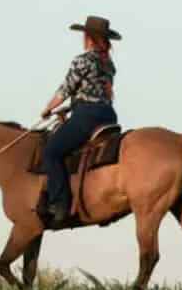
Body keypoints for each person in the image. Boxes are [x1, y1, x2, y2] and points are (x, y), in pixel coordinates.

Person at [36, 15, 121, 225]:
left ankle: (60, 204)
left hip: (87, 115)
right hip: (107, 114)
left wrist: (48, 109)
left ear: (88, 37)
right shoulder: (108, 63)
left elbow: (65, 89)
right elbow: (101, 93)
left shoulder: (82, 60)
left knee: (51, 152)